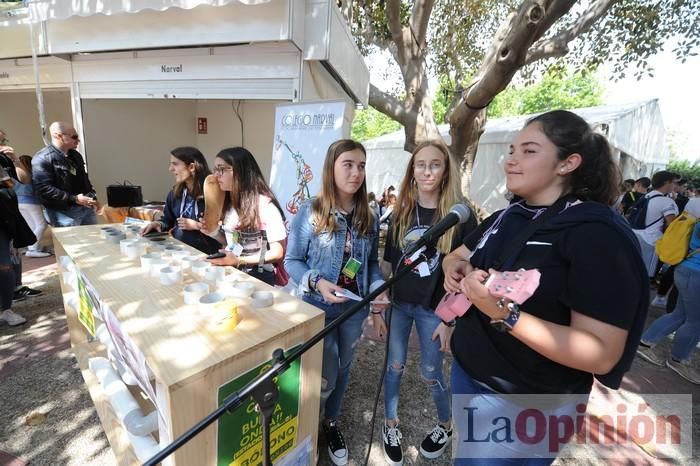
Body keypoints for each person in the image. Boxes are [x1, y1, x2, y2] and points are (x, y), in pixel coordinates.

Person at [442, 110, 647, 464]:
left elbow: (601, 352)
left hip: (526, 401)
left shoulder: (597, 234)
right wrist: (454, 266)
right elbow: (458, 254)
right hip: (471, 374)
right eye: (511, 149)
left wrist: (503, 314)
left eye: (528, 151)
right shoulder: (509, 214)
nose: (511, 159)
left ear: (568, 163)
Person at [285, 139, 389, 465]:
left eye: (361, 165)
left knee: (344, 367)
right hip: (317, 308)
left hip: (353, 309)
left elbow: (370, 263)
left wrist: (377, 289)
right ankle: (308, 432)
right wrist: (318, 280)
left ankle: (330, 424)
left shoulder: (368, 216)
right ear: (332, 167)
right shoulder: (310, 211)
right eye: (348, 164)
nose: (356, 172)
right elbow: (292, 261)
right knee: (324, 376)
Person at [373, 141, 477, 465]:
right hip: (400, 306)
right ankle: (390, 425)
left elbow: (467, 274)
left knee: (432, 373)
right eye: (421, 165)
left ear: (445, 170)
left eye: (435, 164)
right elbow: (389, 264)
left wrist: (450, 321)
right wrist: (378, 308)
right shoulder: (402, 212)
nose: (427, 170)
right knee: (394, 367)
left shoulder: (460, 215)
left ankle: (445, 425)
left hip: (435, 311)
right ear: (412, 171)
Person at [636, 197, 700, 385]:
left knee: (680, 315)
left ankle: (646, 342)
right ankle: (679, 359)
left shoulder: (694, 215)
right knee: (695, 322)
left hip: (686, 271)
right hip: (695, 275)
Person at [203, 147, 286, 285]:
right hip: (234, 272)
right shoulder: (229, 204)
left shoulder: (265, 207)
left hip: (258, 277)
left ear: (240, 172)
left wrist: (240, 260)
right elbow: (233, 242)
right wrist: (212, 232)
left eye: (221, 169)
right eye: (215, 169)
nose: (216, 175)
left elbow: (277, 253)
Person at [141, 147, 221, 254]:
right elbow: (167, 220)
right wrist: (158, 224)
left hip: (205, 254)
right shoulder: (174, 193)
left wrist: (196, 226)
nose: (170, 169)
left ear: (191, 167)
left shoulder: (213, 192)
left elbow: (223, 229)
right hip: (179, 250)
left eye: (175, 164)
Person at [32, 121, 98, 227]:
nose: (78, 140)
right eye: (74, 137)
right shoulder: (43, 158)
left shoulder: (75, 155)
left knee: (93, 239)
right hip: (64, 212)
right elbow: (43, 188)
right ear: (58, 136)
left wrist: (92, 196)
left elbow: (83, 178)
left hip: (85, 208)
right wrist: (74, 199)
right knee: (72, 242)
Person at [0, 167, 37, 326]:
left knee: (5, 266)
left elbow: (12, 184)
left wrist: (15, 160)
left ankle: (5, 310)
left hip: (3, 221)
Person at [630, 170, 679, 278]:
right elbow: (673, 226)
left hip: (635, 235)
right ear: (667, 182)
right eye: (673, 182)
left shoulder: (647, 196)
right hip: (651, 241)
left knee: (633, 269)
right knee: (644, 275)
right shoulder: (667, 202)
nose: (674, 186)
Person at [14, 155, 51, 258]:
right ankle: (32, 249)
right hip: (31, 201)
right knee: (42, 225)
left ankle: (34, 247)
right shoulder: (30, 174)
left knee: (32, 226)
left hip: (19, 202)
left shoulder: (15, 174)